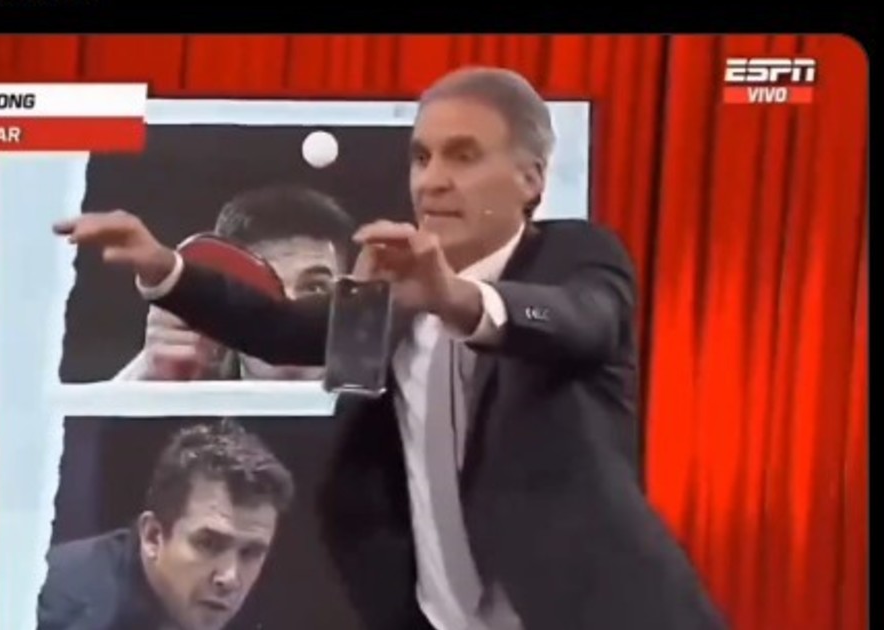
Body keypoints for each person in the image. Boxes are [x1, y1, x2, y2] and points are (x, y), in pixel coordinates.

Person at [53, 66, 726, 630]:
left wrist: (455, 297)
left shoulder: (577, 254)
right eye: (422, 157)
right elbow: (279, 327)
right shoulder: (391, 291)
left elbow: (582, 322)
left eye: (463, 156)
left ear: (531, 179)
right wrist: (165, 270)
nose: (432, 181)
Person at [37, 420, 295, 630]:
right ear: (153, 536)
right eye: (208, 544)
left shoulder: (250, 608)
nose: (229, 578)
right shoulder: (52, 609)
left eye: (250, 553)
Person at [112, 184, 355, 382]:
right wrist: (146, 375)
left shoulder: (375, 396)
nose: (288, 312)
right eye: (261, 288)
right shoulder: (196, 393)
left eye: (314, 288)